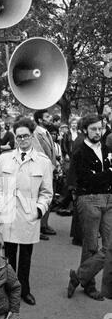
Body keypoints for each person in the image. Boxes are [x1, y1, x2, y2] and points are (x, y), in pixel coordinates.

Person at [0, 117, 53, 305]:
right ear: (14, 137)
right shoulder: (4, 159)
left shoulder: (43, 162)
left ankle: (24, 290)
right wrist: (1, 205)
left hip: (29, 215)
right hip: (8, 215)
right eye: (19, 137)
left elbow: (47, 192)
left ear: (32, 136)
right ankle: (8, 289)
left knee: (26, 256)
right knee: (7, 255)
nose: (22, 140)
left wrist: (38, 211)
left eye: (26, 136)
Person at [67, 113, 112, 300]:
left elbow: (98, 178)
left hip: (109, 199)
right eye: (93, 128)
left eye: (100, 128)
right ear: (85, 130)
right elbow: (88, 180)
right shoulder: (79, 152)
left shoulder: (107, 148)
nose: (98, 132)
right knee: (91, 245)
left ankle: (79, 276)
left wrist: (105, 174)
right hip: (89, 199)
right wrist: (109, 172)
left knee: (109, 246)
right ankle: (90, 285)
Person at [33, 109, 56, 240]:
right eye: (47, 116)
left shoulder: (46, 132)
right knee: (39, 199)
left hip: (49, 171)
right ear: (40, 120)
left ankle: (44, 225)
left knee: (48, 199)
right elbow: (39, 153)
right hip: (42, 172)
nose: (50, 117)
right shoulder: (36, 133)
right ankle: (37, 228)